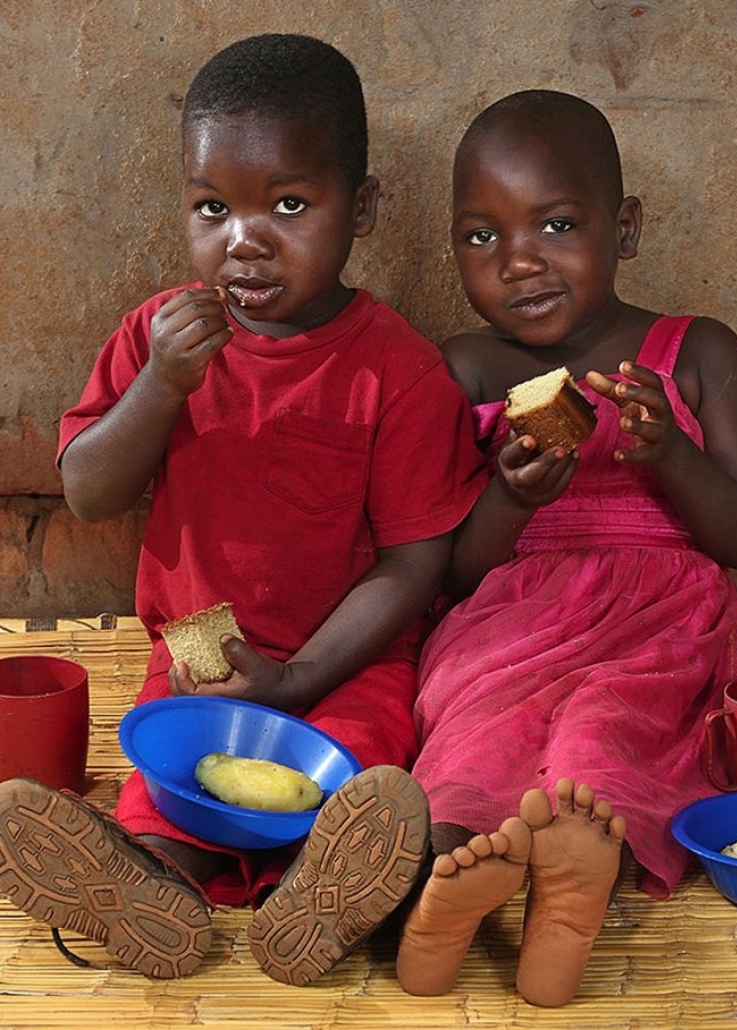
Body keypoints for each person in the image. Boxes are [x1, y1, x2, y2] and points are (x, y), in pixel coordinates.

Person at [0, 34, 486, 984]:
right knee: (172, 788)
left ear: (365, 209)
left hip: (346, 656)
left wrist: (301, 679)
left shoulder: (398, 371)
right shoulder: (157, 335)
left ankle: (322, 890)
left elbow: (412, 564)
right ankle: (150, 885)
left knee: (354, 776)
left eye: (289, 204)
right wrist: (160, 388)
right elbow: (90, 492)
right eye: (212, 208)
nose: (245, 239)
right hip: (197, 650)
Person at [394, 89, 737, 1007]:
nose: (517, 262)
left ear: (626, 226)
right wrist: (507, 496)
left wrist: (671, 457)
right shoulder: (467, 370)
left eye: (556, 224)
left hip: (659, 621)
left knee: (608, 733)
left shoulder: (696, 354)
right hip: (508, 618)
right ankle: (450, 881)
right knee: (470, 729)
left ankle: (571, 880)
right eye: (478, 237)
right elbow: (450, 574)